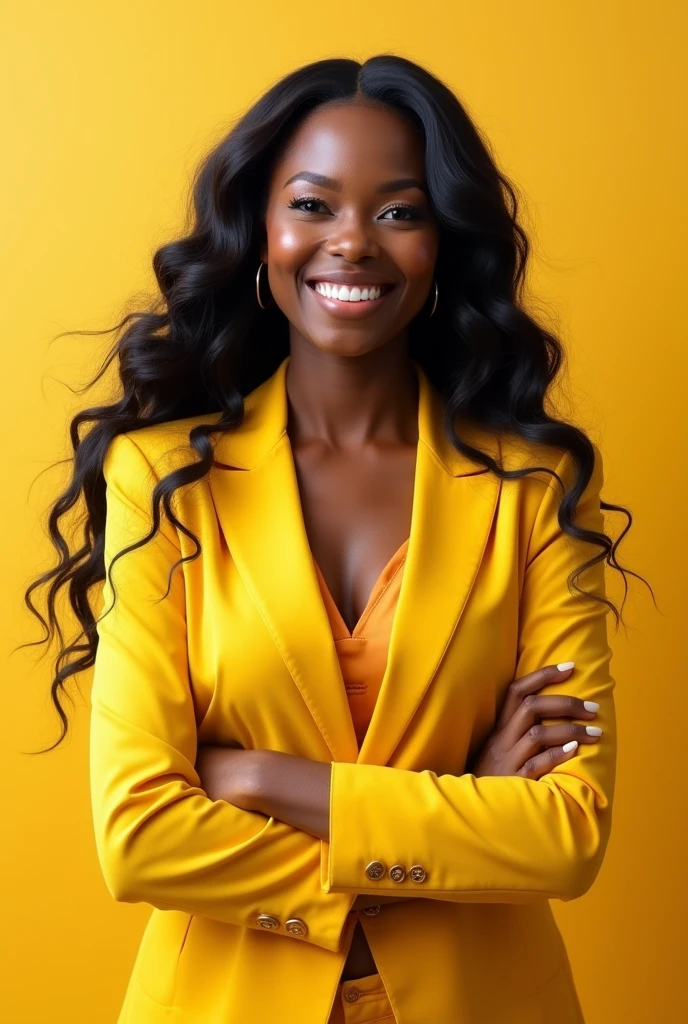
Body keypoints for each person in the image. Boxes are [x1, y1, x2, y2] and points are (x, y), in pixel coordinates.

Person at [23, 54, 639, 1024]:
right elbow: (138, 836)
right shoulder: (161, 479)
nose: (352, 241)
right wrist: (460, 813)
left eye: (398, 211)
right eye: (312, 205)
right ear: (259, 232)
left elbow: (565, 835)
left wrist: (265, 778)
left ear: (442, 242)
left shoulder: (538, 487)